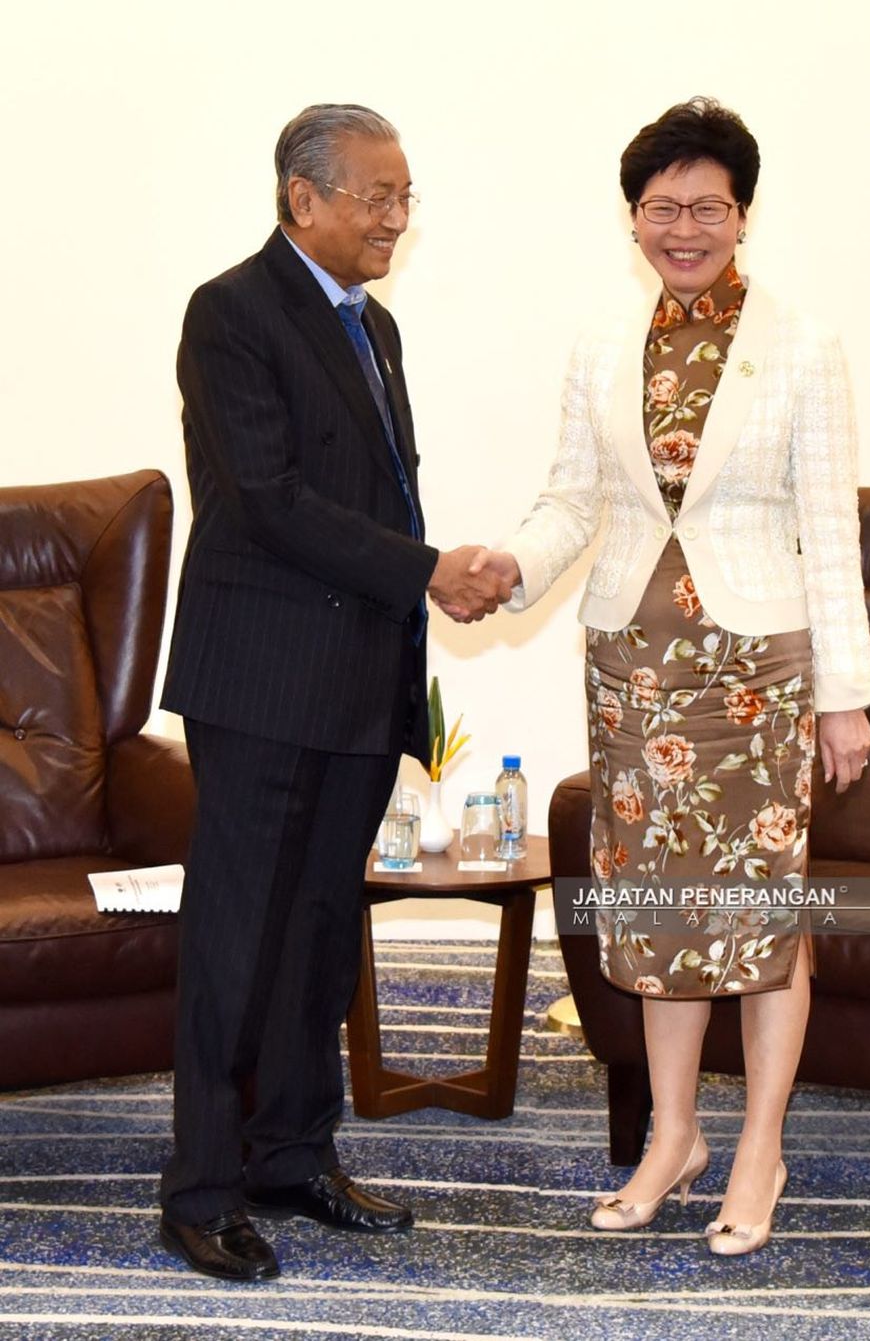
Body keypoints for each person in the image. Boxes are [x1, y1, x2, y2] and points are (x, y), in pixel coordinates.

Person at [477, 98, 870, 1255]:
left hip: (756, 671)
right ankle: (672, 1136)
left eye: (706, 208)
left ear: (742, 214)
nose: (683, 229)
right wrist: (510, 565)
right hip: (633, 666)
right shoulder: (602, 345)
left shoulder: (801, 343)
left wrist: (843, 696)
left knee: (756, 914)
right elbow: (572, 502)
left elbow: (829, 531)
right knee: (655, 915)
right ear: (634, 219)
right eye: (662, 210)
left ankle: (757, 1144)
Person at [158, 103, 512, 1282]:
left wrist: (421, 592)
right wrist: (427, 571)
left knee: (319, 935)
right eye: (375, 196)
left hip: (360, 682)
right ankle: (202, 1188)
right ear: (302, 198)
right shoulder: (230, 314)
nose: (395, 219)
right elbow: (266, 499)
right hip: (261, 682)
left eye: (406, 197)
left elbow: (378, 499)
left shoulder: (380, 330)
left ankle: (293, 1155)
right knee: (236, 938)